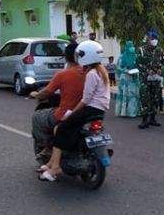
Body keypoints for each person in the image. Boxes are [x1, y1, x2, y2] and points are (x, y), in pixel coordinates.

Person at [38, 40, 110, 181]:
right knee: (66, 128)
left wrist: (71, 114)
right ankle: (51, 162)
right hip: (99, 111)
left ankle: (55, 167)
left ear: (86, 56)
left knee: (60, 128)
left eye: (81, 54)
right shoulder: (102, 72)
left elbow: (85, 99)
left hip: (89, 109)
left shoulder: (91, 74)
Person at [29, 44, 86, 162]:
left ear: (65, 57)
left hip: (66, 113)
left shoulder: (62, 75)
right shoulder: (91, 73)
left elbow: (47, 92)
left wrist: (35, 94)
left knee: (37, 117)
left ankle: (48, 146)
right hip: (87, 113)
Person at [136, 30, 164, 129]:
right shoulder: (141, 50)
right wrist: (147, 71)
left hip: (156, 79)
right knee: (145, 99)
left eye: (155, 39)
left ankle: (152, 119)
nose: (154, 40)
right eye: (152, 38)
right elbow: (138, 64)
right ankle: (144, 120)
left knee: (155, 98)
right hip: (145, 79)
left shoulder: (160, 50)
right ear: (147, 39)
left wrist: (161, 70)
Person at [115, 41, 140, 117]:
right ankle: (124, 112)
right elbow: (118, 67)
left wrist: (137, 70)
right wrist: (126, 71)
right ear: (127, 47)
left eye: (133, 45)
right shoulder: (122, 57)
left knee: (133, 95)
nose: (132, 47)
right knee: (125, 95)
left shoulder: (136, 56)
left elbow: (139, 65)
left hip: (134, 78)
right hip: (125, 79)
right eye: (131, 46)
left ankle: (133, 112)